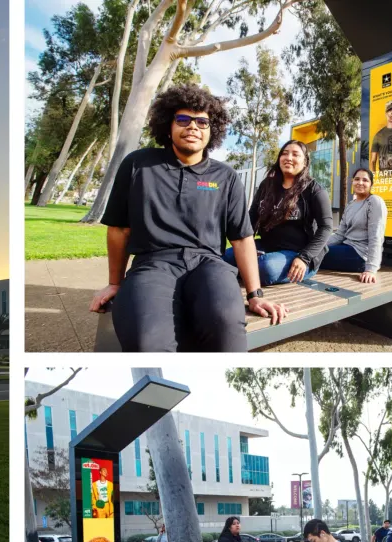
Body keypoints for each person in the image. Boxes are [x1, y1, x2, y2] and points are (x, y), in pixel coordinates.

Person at [90, 84, 288, 352]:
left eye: (202, 122)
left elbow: (242, 239)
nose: (193, 126)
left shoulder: (226, 177)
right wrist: (115, 283)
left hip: (208, 265)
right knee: (147, 341)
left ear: (211, 130)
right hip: (153, 263)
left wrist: (255, 295)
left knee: (225, 326)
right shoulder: (138, 164)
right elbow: (118, 230)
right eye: (183, 119)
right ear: (168, 126)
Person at [224, 140, 333, 286]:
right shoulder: (267, 186)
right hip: (266, 248)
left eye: (295, 154)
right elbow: (251, 217)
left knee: (265, 268)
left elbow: (326, 228)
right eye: (284, 153)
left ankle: (241, 270)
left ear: (305, 162)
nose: (288, 158)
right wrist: (246, 245)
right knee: (227, 257)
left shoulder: (314, 190)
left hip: (299, 254)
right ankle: (245, 267)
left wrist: (304, 258)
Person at [320, 168, 388, 283]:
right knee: (312, 250)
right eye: (357, 179)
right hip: (346, 247)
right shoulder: (351, 205)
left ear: (371, 184)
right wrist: (317, 244)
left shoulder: (374, 202)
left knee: (313, 255)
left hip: (360, 255)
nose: (360, 183)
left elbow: (376, 236)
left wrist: (371, 269)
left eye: (365, 180)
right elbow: (339, 235)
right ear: (352, 182)